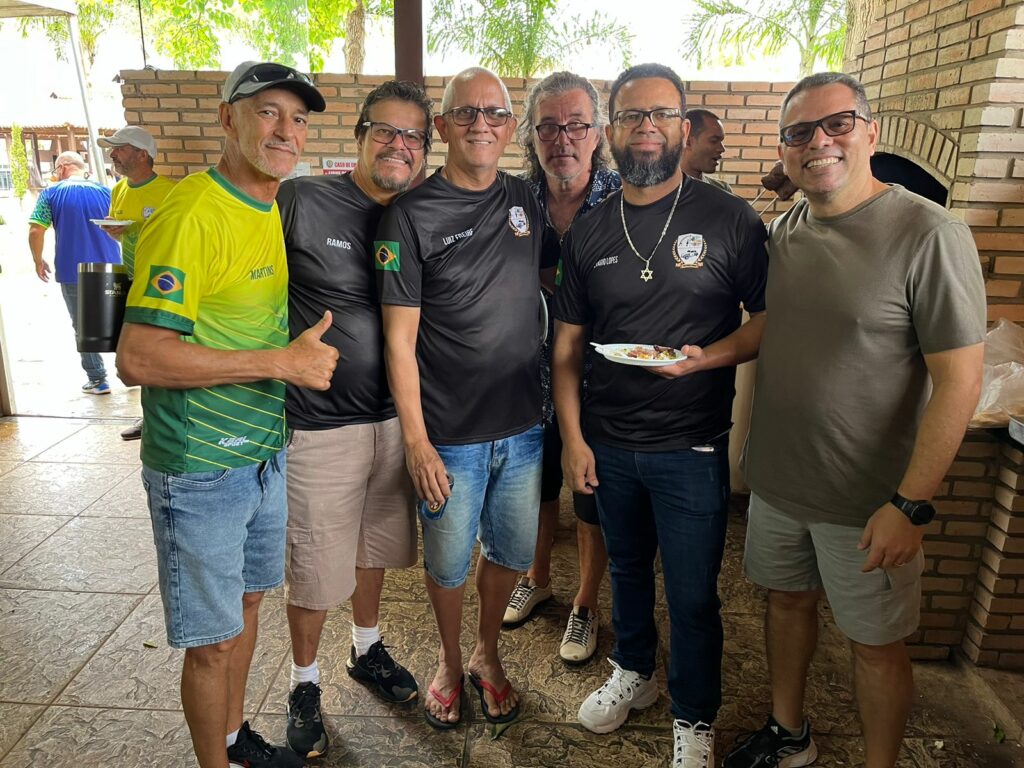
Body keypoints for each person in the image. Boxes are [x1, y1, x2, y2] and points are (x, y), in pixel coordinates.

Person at [726, 72, 986, 768]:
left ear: (870, 132)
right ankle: (789, 733)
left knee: (874, 645)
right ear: (785, 151)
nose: (819, 142)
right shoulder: (785, 234)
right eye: (799, 132)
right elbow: (771, 328)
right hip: (780, 485)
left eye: (837, 124)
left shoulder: (930, 234)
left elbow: (960, 381)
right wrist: (702, 357)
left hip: (869, 503)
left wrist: (911, 503)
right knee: (785, 606)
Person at [115, 61, 336, 768]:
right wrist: (282, 363)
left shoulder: (267, 204)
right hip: (200, 469)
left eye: (297, 118)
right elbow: (139, 357)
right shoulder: (191, 215)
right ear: (227, 118)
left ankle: (235, 743)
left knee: (246, 609)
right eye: (267, 112)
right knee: (211, 644)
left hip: (262, 454)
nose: (285, 130)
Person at [553, 63, 768, 767]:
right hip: (609, 443)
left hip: (692, 447)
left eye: (662, 114)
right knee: (626, 570)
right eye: (632, 115)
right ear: (610, 131)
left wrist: (706, 360)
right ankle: (635, 670)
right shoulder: (589, 231)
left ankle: (694, 715)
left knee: (694, 594)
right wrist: (574, 440)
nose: (647, 127)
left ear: (682, 126)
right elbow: (567, 349)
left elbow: (768, 322)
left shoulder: (730, 219)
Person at [377, 66, 556, 730]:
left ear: (510, 127)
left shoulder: (525, 198)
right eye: (466, 113)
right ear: (444, 125)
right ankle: (450, 661)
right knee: (450, 564)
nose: (482, 124)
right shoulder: (408, 216)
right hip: (449, 436)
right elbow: (399, 343)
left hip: (524, 425)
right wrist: (417, 443)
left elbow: (546, 279)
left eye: (495, 113)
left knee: (511, 552)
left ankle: (486, 652)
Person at [276, 80, 432, 759]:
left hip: (396, 419)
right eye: (385, 131)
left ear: (424, 151)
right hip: (319, 424)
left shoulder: (422, 214)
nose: (398, 145)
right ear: (361, 136)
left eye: (412, 136)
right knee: (315, 566)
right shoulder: (303, 200)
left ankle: (366, 648)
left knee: (376, 547)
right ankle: (303, 682)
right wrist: (274, 359)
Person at [502, 70, 619, 667]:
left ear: (598, 132)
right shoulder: (514, 200)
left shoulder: (625, 199)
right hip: (527, 373)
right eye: (548, 126)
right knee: (538, 484)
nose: (562, 139)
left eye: (576, 125)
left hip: (603, 376)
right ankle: (537, 576)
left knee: (589, 490)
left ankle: (585, 602)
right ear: (531, 135)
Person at [97, 125, 177, 440]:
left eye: (119, 148)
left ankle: (169, 417)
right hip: (132, 281)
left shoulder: (170, 192)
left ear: (142, 154)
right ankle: (150, 419)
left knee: (164, 351)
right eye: (112, 149)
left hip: (164, 286)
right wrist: (115, 231)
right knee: (141, 352)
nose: (113, 154)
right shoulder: (118, 190)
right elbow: (121, 231)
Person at [28, 151, 120, 395]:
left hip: (73, 270)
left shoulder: (51, 194)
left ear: (62, 167)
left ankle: (98, 380)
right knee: (117, 320)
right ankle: (129, 371)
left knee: (83, 325)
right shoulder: (107, 192)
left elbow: (36, 230)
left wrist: (38, 260)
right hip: (110, 265)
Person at [681, 109, 733, 193]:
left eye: (721, 141)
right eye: (714, 141)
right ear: (688, 141)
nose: (722, 149)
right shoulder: (660, 191)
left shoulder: (722, 191)